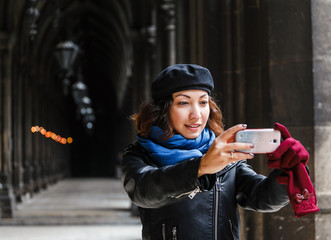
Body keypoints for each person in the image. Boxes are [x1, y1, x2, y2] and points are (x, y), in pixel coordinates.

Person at [120, 64, 318, 240]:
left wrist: (286, 173)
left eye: (203, 102)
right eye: (183, 102)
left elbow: (261, 197)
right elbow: (143, 191)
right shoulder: (139, 154)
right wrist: (200, 168)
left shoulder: (223, 152)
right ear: (163, 109)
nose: (196, 114)